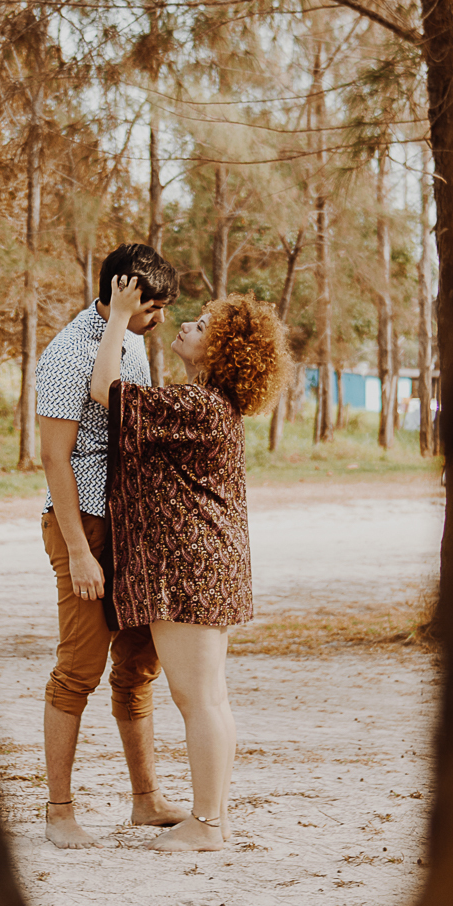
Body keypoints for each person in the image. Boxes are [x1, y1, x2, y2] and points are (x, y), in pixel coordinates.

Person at [91, 276, 290, 852]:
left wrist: (117, 315)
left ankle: (204, 826)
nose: (185, 324)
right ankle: (215, 819)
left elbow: (106, 388)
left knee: (198, 699)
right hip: (207, 566)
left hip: (190, 571)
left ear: (222, 351)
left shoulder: (197, 404)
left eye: (200, 326)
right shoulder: (204, 404)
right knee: (211, 698)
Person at [36, 244, 188, 848]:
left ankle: (146, 799)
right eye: (155, 307)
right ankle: (59, 811)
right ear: (125, 294)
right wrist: (78, 549)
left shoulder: (131, 340)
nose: (162, 320)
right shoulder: (68, 353)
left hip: (131, 526)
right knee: (78, 670)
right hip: (87, 526)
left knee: (137, 667)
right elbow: (55, 458)